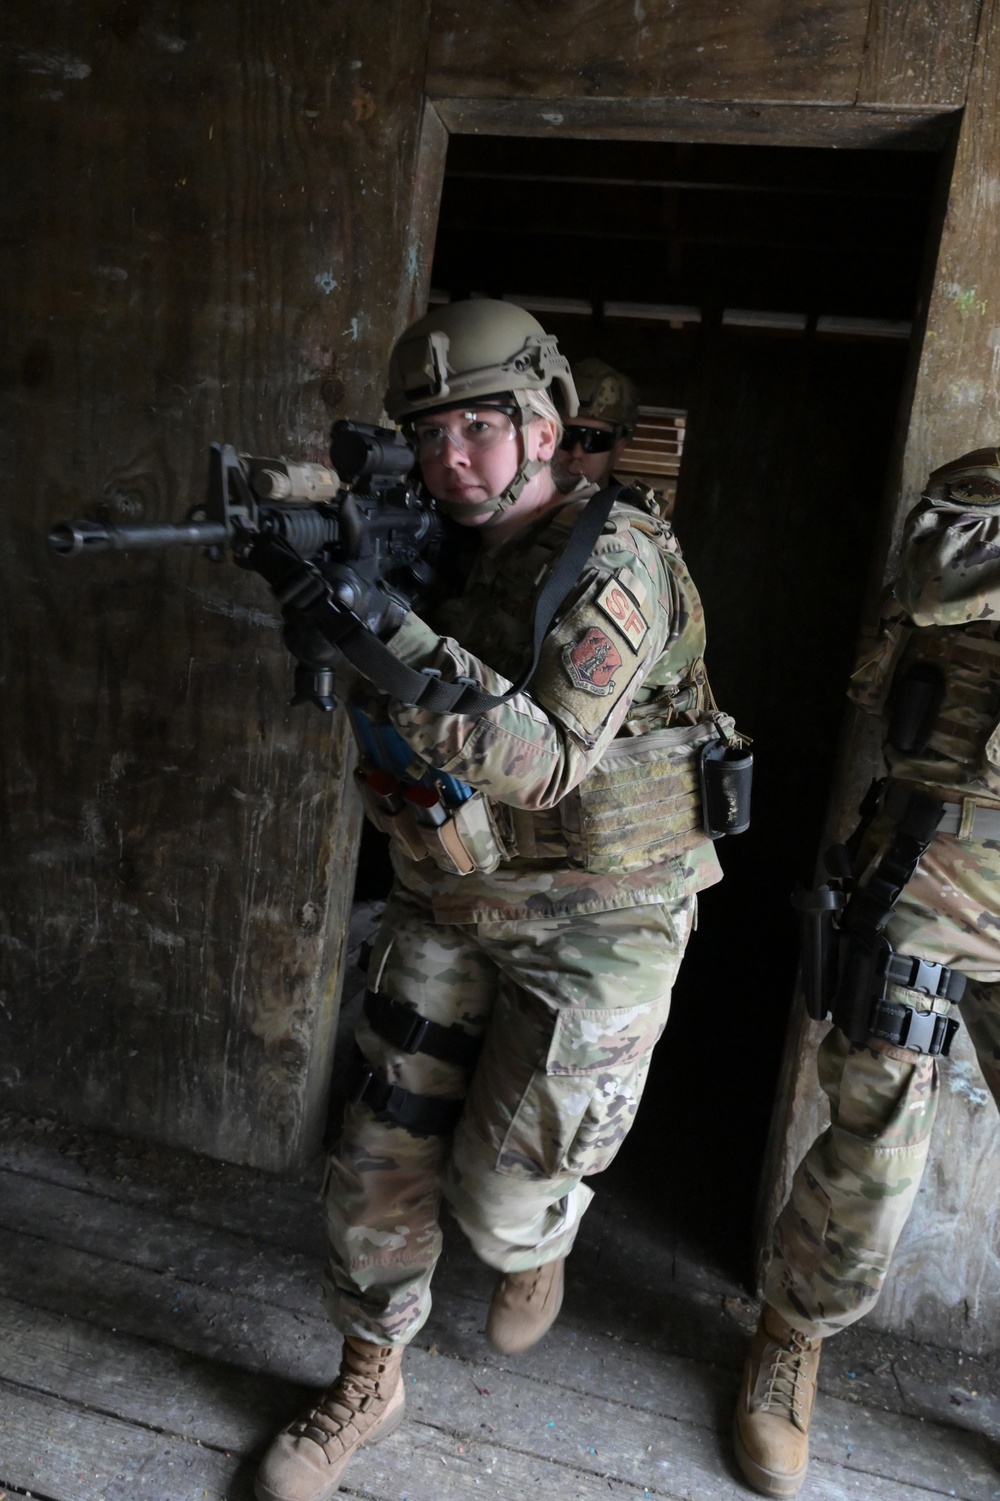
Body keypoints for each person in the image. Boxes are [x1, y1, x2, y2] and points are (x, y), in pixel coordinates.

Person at [255, 299, 745, 1501]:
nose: (450, 458)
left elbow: (543, 760)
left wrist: (370, 620)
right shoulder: (432, 533)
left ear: (545, 424)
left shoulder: (615, 557)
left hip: (602, 915)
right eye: (427, 435)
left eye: (479, 426)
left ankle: (540, 1242)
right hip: (453, 892)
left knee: (501, 1196)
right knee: (376, 1154)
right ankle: (370, 1371)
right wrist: (304, 528)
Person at [733, 447, 1000, 1498]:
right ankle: (790, 1333)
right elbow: (936, 578)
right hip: (937, 867)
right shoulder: (983, 488)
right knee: (877, 1143)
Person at [551, 356, 640, 494]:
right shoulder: (516, 508)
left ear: (619, 447)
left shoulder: (627, 514)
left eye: (596, 440)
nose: (576, 453)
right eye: (565, 435)